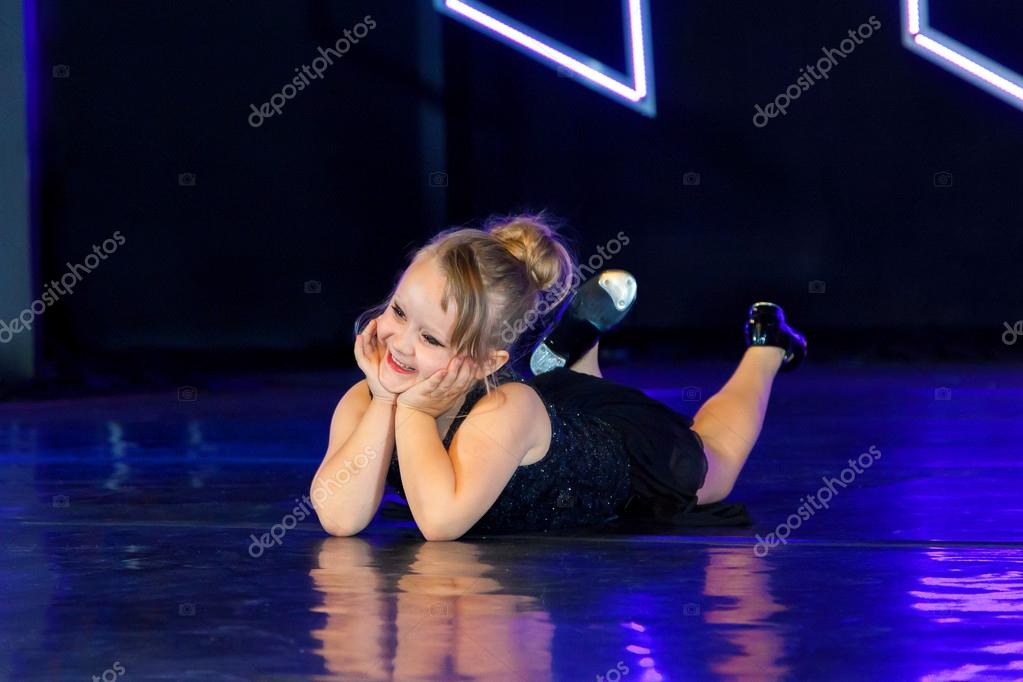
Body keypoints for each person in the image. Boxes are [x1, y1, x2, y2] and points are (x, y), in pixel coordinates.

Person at [309, 214, 807, 541]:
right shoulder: (367, 398)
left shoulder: (507, 411)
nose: (397, 344)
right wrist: (381, 403)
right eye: (398, 311)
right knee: (555, 391)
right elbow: (339, 516)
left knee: (714, 460)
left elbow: (440, 521)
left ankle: (767, 346)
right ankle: (575, 351)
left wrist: (412, 410)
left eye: (431, 340)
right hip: (552, 406)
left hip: (621, 450)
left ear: (486, 363)